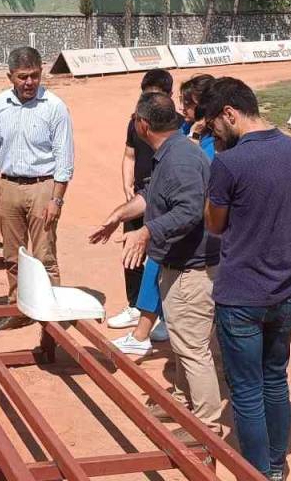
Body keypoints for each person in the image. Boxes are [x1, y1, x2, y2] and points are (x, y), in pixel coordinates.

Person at [199, 77, 291, 481]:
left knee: (247, 392)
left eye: (215, 125)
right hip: (289, 292)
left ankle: (254, 473)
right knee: (276, 380)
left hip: (240, 296)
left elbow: (214, 225)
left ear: (230, 114)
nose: (214, 133)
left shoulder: (229, 163)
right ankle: (275, 468)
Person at [89, 93, 223, 438]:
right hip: (177, 265)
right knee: (180, 339)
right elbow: (151, 196)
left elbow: (189, 211)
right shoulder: (172, 152)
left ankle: (206, 426)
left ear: (142, 125)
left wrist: (148, 231)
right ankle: (180, 399)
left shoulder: (179, 159)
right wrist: (120, 214)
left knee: (193, 349)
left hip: (193, 270)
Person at [0, 46, 74, 331]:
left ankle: (51, 313)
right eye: (22, 77)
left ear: (41, 73)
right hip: (9, 186)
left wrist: (56, 200)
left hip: (43, 188)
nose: (29, 83)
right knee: (13, 256)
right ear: (10, 76)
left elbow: (64, 158)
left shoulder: (55, 107)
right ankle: (19, 308)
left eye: (34, 76)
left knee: (45, 254)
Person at [108, 68, 174, 336]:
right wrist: (126, 185)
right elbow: (129, 155)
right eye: (145, 97)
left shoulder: (179, 126)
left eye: (155, 98)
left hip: (165, 201)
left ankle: (165, 316)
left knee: (165, 258)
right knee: (131, 252)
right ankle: (135, 306)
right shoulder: (134, 123)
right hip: (138, 199)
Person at [179, 74, 217, 159]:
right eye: (181, 101)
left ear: (204, 106)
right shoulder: (187, 125)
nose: (181, 108)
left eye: (187, 104)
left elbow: (190, 164)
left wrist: (195, 134)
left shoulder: (216, 141)